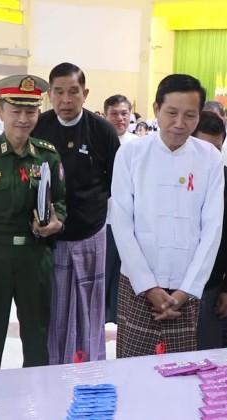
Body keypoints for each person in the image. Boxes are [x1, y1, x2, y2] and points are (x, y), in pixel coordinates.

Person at [112, 74, 224, 357]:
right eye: (172, 113)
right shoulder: (130, 154)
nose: (180, 123)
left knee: (181, 369)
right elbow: (122, 225)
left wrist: (187, 290)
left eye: (190, 115)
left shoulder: (210, 158)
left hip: (185, 289)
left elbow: (212, 229)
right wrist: (148, 286)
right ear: (156, 109)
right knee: (132, 367)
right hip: (138, 284)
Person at [0, 74, 65, 370]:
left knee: (37, 336)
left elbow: (60, 202)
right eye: (15, 110)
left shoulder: (47, 155)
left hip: (35, 255)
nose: (23, 119)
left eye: (30, 111)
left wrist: (57, 222)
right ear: (0, 111)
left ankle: (35, 394)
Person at [31, 62, 120, 364]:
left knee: (88, 310)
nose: (65, 100)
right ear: (49, 95)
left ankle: (88, 365)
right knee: (52, 310)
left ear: (86, 94)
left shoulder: (102, 130)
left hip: (89, 235)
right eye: (58, 92)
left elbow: (115, 183)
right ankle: (52, 368)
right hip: (49, 240)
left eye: (73, 92)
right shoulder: (39, 126)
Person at [192, 111, 227, 350]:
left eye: (217, 149)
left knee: (205, 353)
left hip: (210, 286)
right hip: (168, 286)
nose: (211, 156)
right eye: (204, 148)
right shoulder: (171, 176)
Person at [102, 94, 137, 324]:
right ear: (105, 115)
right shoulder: (99, 140)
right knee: (103, 271)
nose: (120, 118)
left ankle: (118, 316)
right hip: (103, 220)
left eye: (124, 113)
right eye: (114, 114)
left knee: (124, 272)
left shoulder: (138, 145)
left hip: (129, 220)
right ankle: (100, 316)